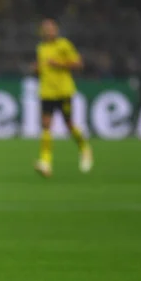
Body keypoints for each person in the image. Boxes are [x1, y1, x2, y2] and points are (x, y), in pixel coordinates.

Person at [33, 18, 93, 178]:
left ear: (56, 30)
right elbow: (42, 69)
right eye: (45, 29)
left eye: (51, 28)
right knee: (46, 125)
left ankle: (85, 148)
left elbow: (78, 64)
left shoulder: (64, 45)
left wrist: (58, 63)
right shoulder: (41, 48)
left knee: (69, 124)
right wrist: (36, 70)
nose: (48, 31)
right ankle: (45, 163)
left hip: (63, 91)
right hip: (46, 92)